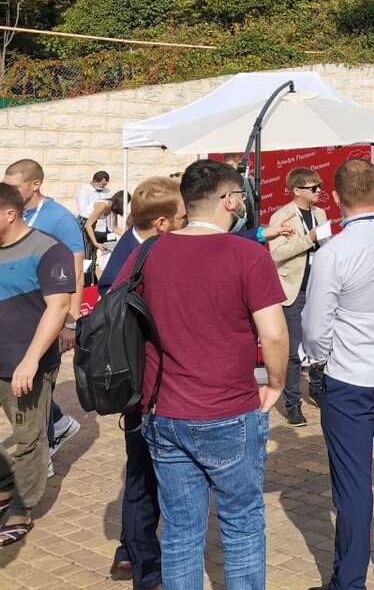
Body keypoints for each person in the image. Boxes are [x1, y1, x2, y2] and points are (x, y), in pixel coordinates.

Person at [116, 159, 288, 589]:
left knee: (180, 530)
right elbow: (274, 334)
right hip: (228, 410)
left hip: (162, 410)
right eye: (241, 197)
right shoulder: (248, 254)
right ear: (229, 200)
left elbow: (116, 311)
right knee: (242, 524)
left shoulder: (148, 251)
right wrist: (277, 384)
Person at [303, 159, 374, 590]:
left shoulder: (333, 252)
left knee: (352, 484)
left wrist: (317, 361)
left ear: (335, 198)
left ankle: (349, 580)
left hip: (350, 375)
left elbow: (316, 327)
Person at [99, 177, 187, 587]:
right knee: (142, 473)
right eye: (183, 217)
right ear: (163, 222)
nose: (188, 222)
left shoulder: (138, 245)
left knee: (143, 472)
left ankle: (130, 550)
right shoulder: (135, 254)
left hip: (146, 382)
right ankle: (142, 562)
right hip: (143, 385)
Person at [0, 182, 74, 548]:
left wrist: (30, 361)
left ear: (10, 214)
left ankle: (21, 509)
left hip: (25, 363)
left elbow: (58, 308)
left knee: (29, 438)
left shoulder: (48, 249)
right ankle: (4, 484)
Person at [4, 159, 85, 477]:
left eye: (15, 186)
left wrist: (70, 323)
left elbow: (75, 271)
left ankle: (42, 459)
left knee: (36, 395)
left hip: (44, 319)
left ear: (35, 184)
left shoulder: (60, 219)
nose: (10, 190)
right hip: (15, 323)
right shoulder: (13, 218)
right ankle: (59, 425)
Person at [268, 167, 330, 426]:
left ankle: (317, 388)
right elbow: (277, 254)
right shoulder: (282, 216)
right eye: (313, 187)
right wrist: (309, 238)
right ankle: (293, 403)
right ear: (296, 190)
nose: (319, 190)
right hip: (294, 291)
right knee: (292, 352)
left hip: (319, 289)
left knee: (320, 345)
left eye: (320, 185)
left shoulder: (320, 213)